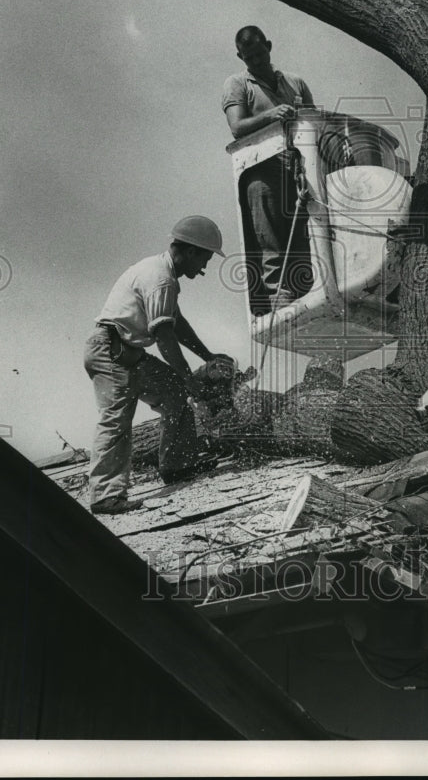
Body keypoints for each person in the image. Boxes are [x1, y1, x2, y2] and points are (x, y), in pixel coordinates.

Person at [83, 215, 230, 514]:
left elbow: (177, 325)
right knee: (116, 419)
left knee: (173, 391)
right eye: (204, 259)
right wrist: (190, 377)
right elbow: (164, 336)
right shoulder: (161, 279)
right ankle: (105, 496)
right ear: (190, 251)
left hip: (125, 351)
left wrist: (208, 356)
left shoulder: (162, 273)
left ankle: (177, 466)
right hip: (108, 350)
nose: (203, 268)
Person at [221, 26, 314, 314]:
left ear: (269, 47)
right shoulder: (238, 83)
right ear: (241, 56)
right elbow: (237, 127)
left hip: (297, 169)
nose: (256, 62)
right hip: (262, 171)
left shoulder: (294, 82)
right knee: (269, 236)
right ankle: (276, 294)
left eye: (260, 54)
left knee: (306, 233)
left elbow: (313, 122)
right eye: (249, 58)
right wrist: (272, 115)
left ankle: (306, 290)